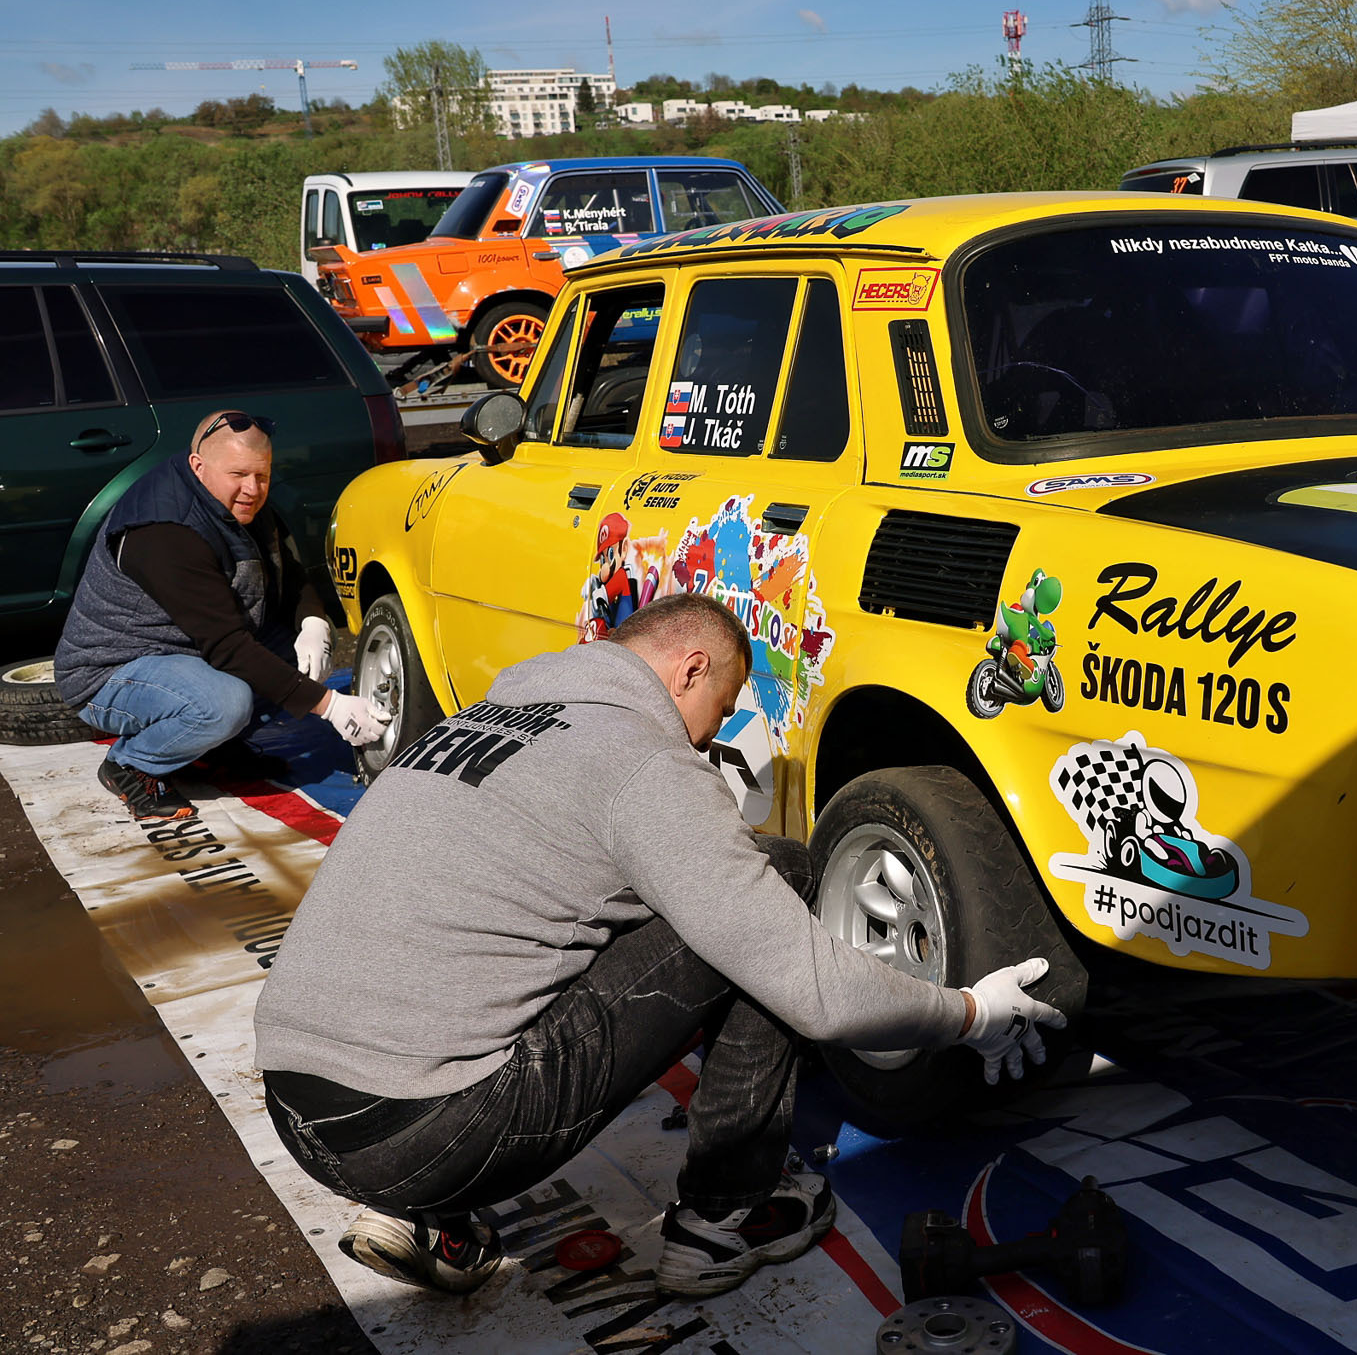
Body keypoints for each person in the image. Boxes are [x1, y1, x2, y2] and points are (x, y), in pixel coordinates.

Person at [254, 593, 1064, 1298]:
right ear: (690, 669)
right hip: (425, 1131)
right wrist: (968, 1012)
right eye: (723, 706)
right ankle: (726, 1216)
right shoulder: (642, 762)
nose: (711, 738)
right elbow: (810, 987)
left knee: (514, 941)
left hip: (297, 1108)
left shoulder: (485, 715)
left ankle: (426, 1219)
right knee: (774, 880)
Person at [53, 410, 391, 820]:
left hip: (189, 650)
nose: (252, 488)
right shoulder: (164, 530)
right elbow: (228, 647)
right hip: (112, 671)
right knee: (223, 704)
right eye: (239, 475)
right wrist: (330, 706)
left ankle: (211, 747)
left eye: (262, 475)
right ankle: (132, 765)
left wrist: (313, 622)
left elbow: (289, 573)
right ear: (198, 466)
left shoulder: (235, 500)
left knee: (298, 657)